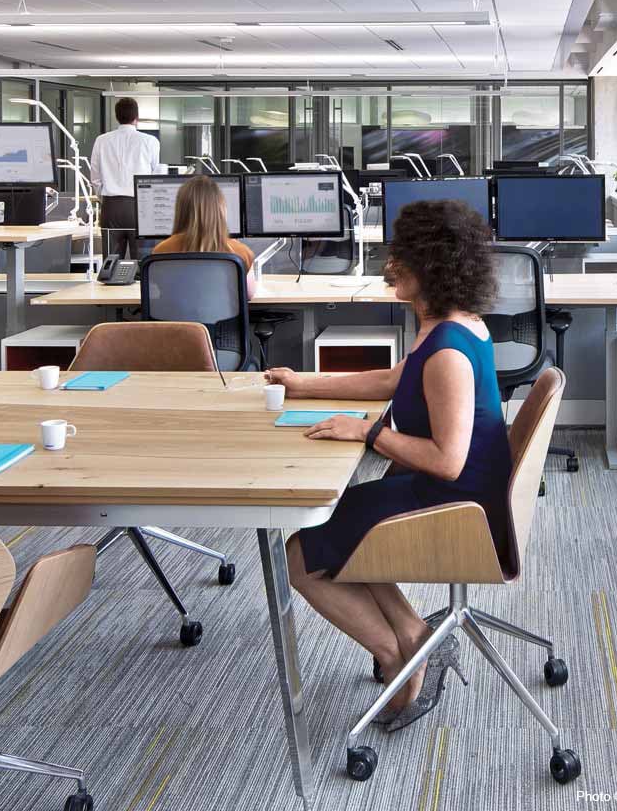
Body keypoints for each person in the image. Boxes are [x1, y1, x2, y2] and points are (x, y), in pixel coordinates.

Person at [266, 200, 511, 731]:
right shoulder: (453, 325)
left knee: (300, 556)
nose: (389, 265)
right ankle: (414, 636)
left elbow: (448, 461)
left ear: (431, 268)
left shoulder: (447, 350)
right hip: (457, 491)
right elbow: (394, 379)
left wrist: (370, 432)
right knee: (342, 525)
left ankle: (398, 661)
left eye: (401, 257)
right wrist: (304, 383)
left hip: (455, 505)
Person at [152, 174, 256, 299]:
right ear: (220, 210)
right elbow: (249, 294)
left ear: (181, 210)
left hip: (174, 319)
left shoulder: (161, 251)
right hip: (223, 318)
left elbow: (157, 290)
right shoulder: (240, 252)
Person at [89, 96, 158, 260]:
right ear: (137, 117)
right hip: (141, 207)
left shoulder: (102, 140)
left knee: (111, 263)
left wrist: (104, 197)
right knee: (143, 261)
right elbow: (155, 177)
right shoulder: (150, 141)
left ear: (117, 116)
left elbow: (95, 177)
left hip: (111, 207)